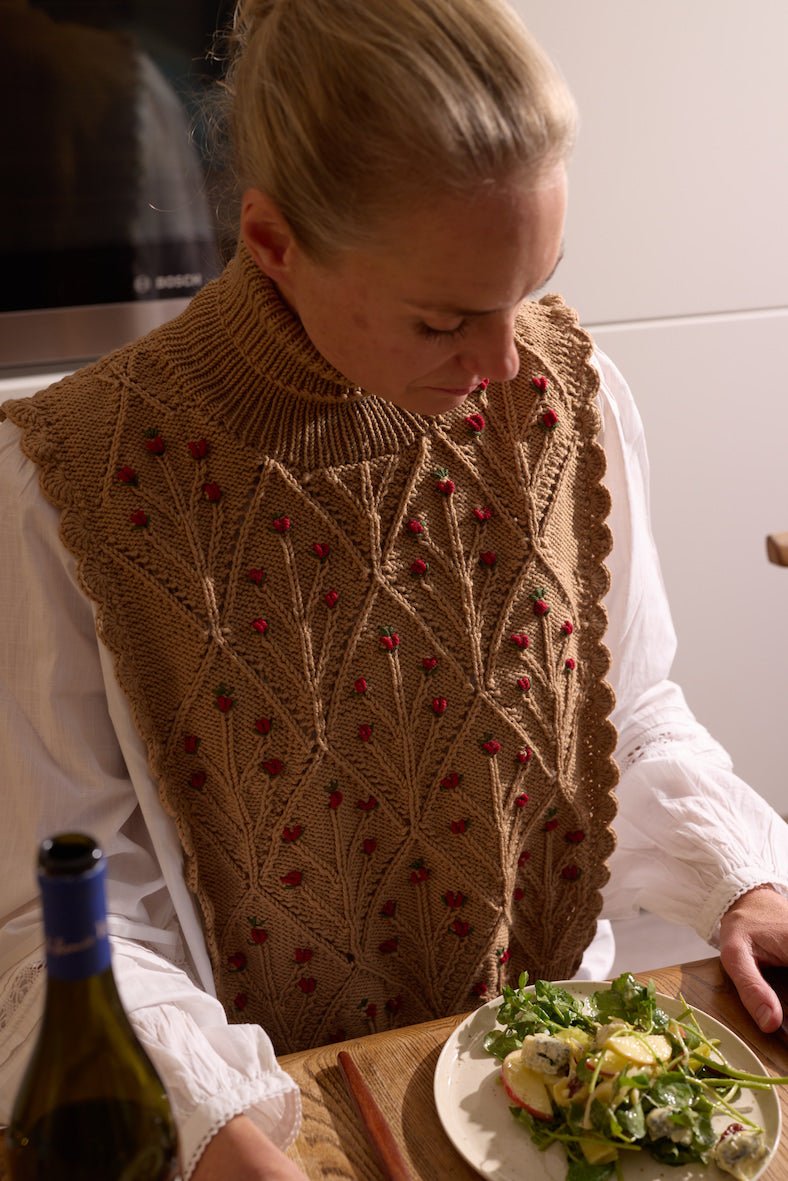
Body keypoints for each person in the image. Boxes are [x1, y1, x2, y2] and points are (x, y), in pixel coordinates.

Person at [0, 0, 786, 1177]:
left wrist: (745, 879)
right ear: (271, 242)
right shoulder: (70, 479)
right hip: (282, 1115)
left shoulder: (568, 397)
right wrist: (214, 1121)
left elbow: (623, 716)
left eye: (533, 285)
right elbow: (54, 912)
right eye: (443, 317)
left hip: (550, 1085)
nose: (506, 362)